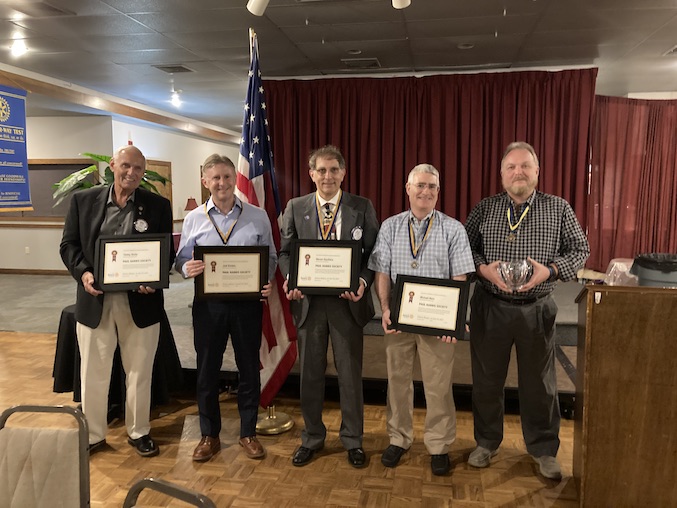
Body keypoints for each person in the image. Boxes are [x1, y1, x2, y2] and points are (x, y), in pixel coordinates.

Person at [464, 141, 589, 480]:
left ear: (537, 171)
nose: (517, 172)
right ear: (502, 174)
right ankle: (487, 442)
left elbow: (581, 249)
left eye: (524, 166)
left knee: (540, 384)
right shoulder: (485, 208)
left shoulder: (558, 208)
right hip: (490, 306)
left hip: (537, 308)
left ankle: (544, 449)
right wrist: (483, 269)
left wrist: (549, 270)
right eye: (511, 167)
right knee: (487, 381)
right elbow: (463, 246)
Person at [60, 145, 174, 457]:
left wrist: (154, 277)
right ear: (112, 165)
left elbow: (167, 254)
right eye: (125, 166)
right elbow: (69, 246)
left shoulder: (157, 206)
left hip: (141, 303)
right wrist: (84, 273)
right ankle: (94, 435)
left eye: (138, 168)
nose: (131, 173)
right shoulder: (83, 201)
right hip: (95, 301)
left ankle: (139, 432)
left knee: (139, 371)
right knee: (93, 371)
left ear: (144, 171)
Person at [368, 163, 475, 476]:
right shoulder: (390, 227)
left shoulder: (453, 229)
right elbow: (381, 272)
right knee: (397, 383)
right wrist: (385, 308)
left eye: (432, 187)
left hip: (437, 326)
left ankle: (439, 445)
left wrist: (454, 320)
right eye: (420, 185)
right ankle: (398, 439)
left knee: (438, 387)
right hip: (399, 321)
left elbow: (460, 278)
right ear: (408, 189)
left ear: (438, 192)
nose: (426, 191)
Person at [279, 144, 379, 468]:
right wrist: (292, 277)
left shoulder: (361, 206)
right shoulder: (295, 207)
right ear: (311, 174)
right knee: (310, 375)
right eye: (321, 170)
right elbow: (284, 252)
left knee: (350, 376)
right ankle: (312, 437)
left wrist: (362, 283)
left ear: (343, 173)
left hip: (346, 305)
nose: (327, 176)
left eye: (334, 169)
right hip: (309, 305)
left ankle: (353, 439)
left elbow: (373, 255)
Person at [175, 154, 277, 462]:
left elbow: (270, 255)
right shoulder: (193, 218)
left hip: (248, 305)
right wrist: (186, 268)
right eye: (215, 178)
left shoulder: (257, 215)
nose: (222, 183)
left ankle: (248, 432)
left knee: (248, 368)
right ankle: (209, 435)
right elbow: (180, 257)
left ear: (235, 179)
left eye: (227, 177)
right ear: (205, 182)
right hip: (209, 306)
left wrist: (266, 279)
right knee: (207, 370)